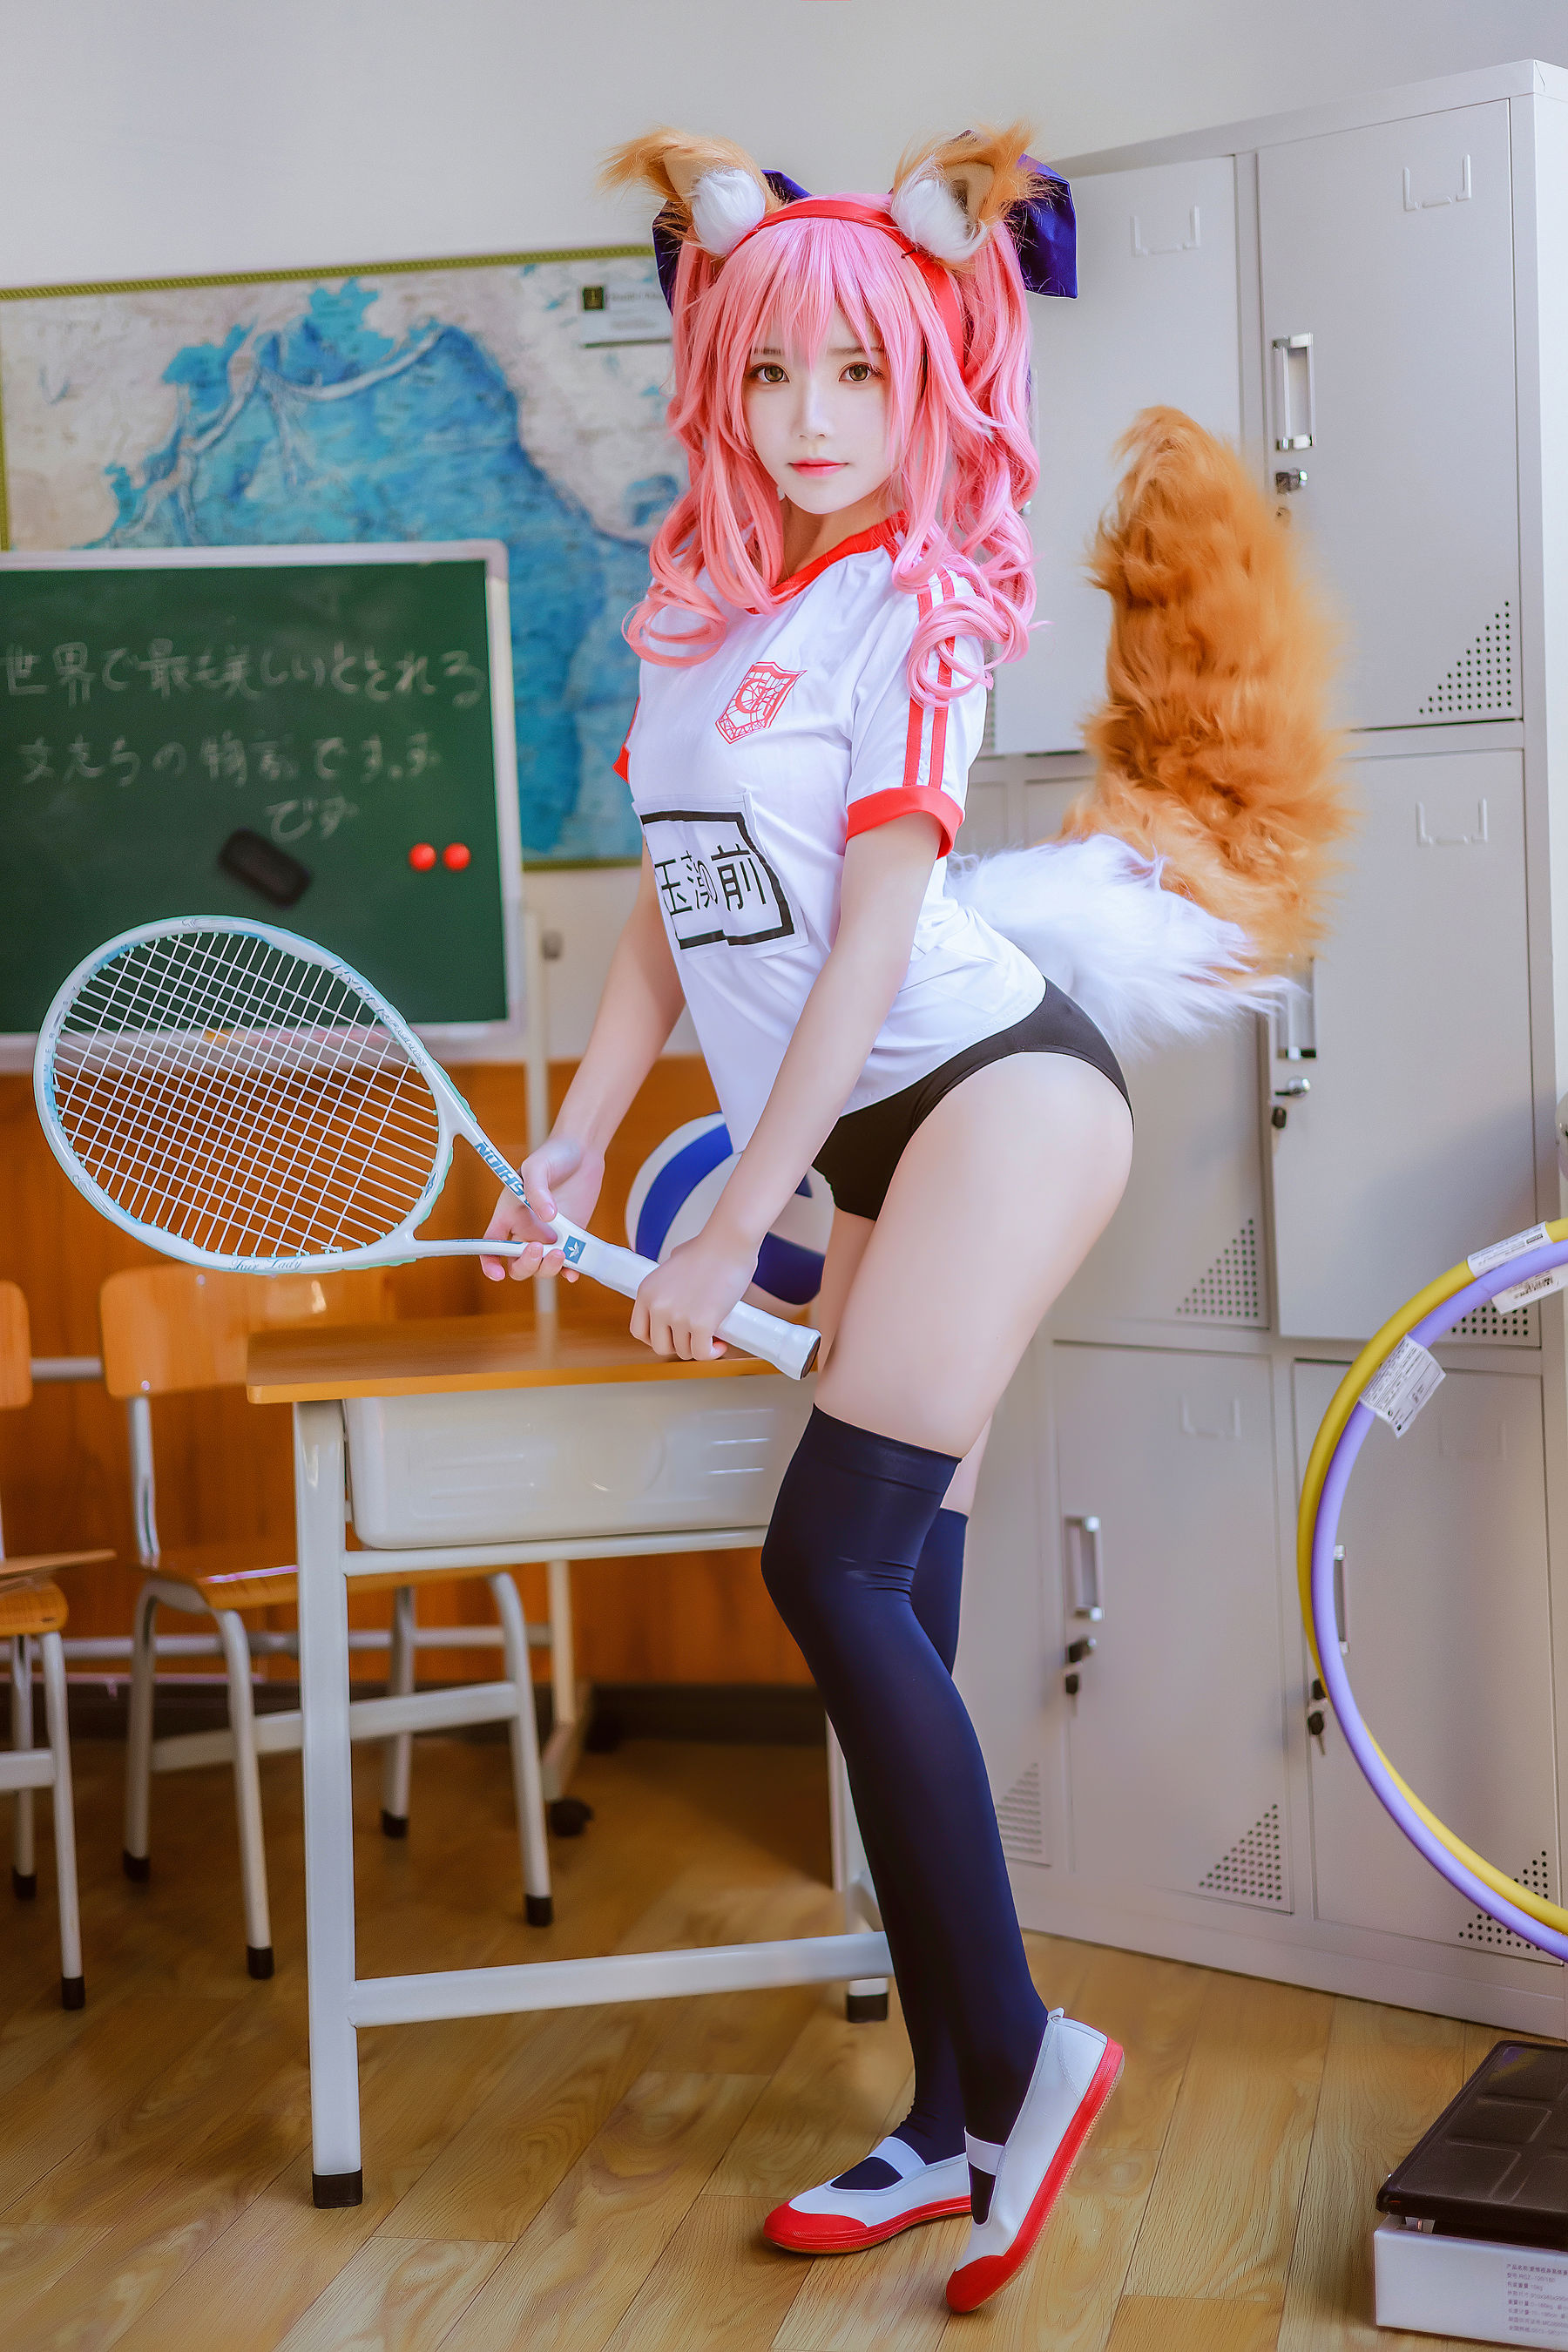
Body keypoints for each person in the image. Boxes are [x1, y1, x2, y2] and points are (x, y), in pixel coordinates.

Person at [483, 125, 1342, 2315]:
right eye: (775, 372)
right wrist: (579, 1142)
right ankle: (952, 2114)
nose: (814, 418)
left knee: (825, 1563)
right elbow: (676, 919)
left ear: (930, 376)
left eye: (860, 373)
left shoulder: (922, 611)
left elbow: (870, 940)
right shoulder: (695, 613)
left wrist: (735, 1214)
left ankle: (1031, 2060)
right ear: (722, 375)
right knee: (903, 1594)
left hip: (989, 1093)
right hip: (864, 1126)